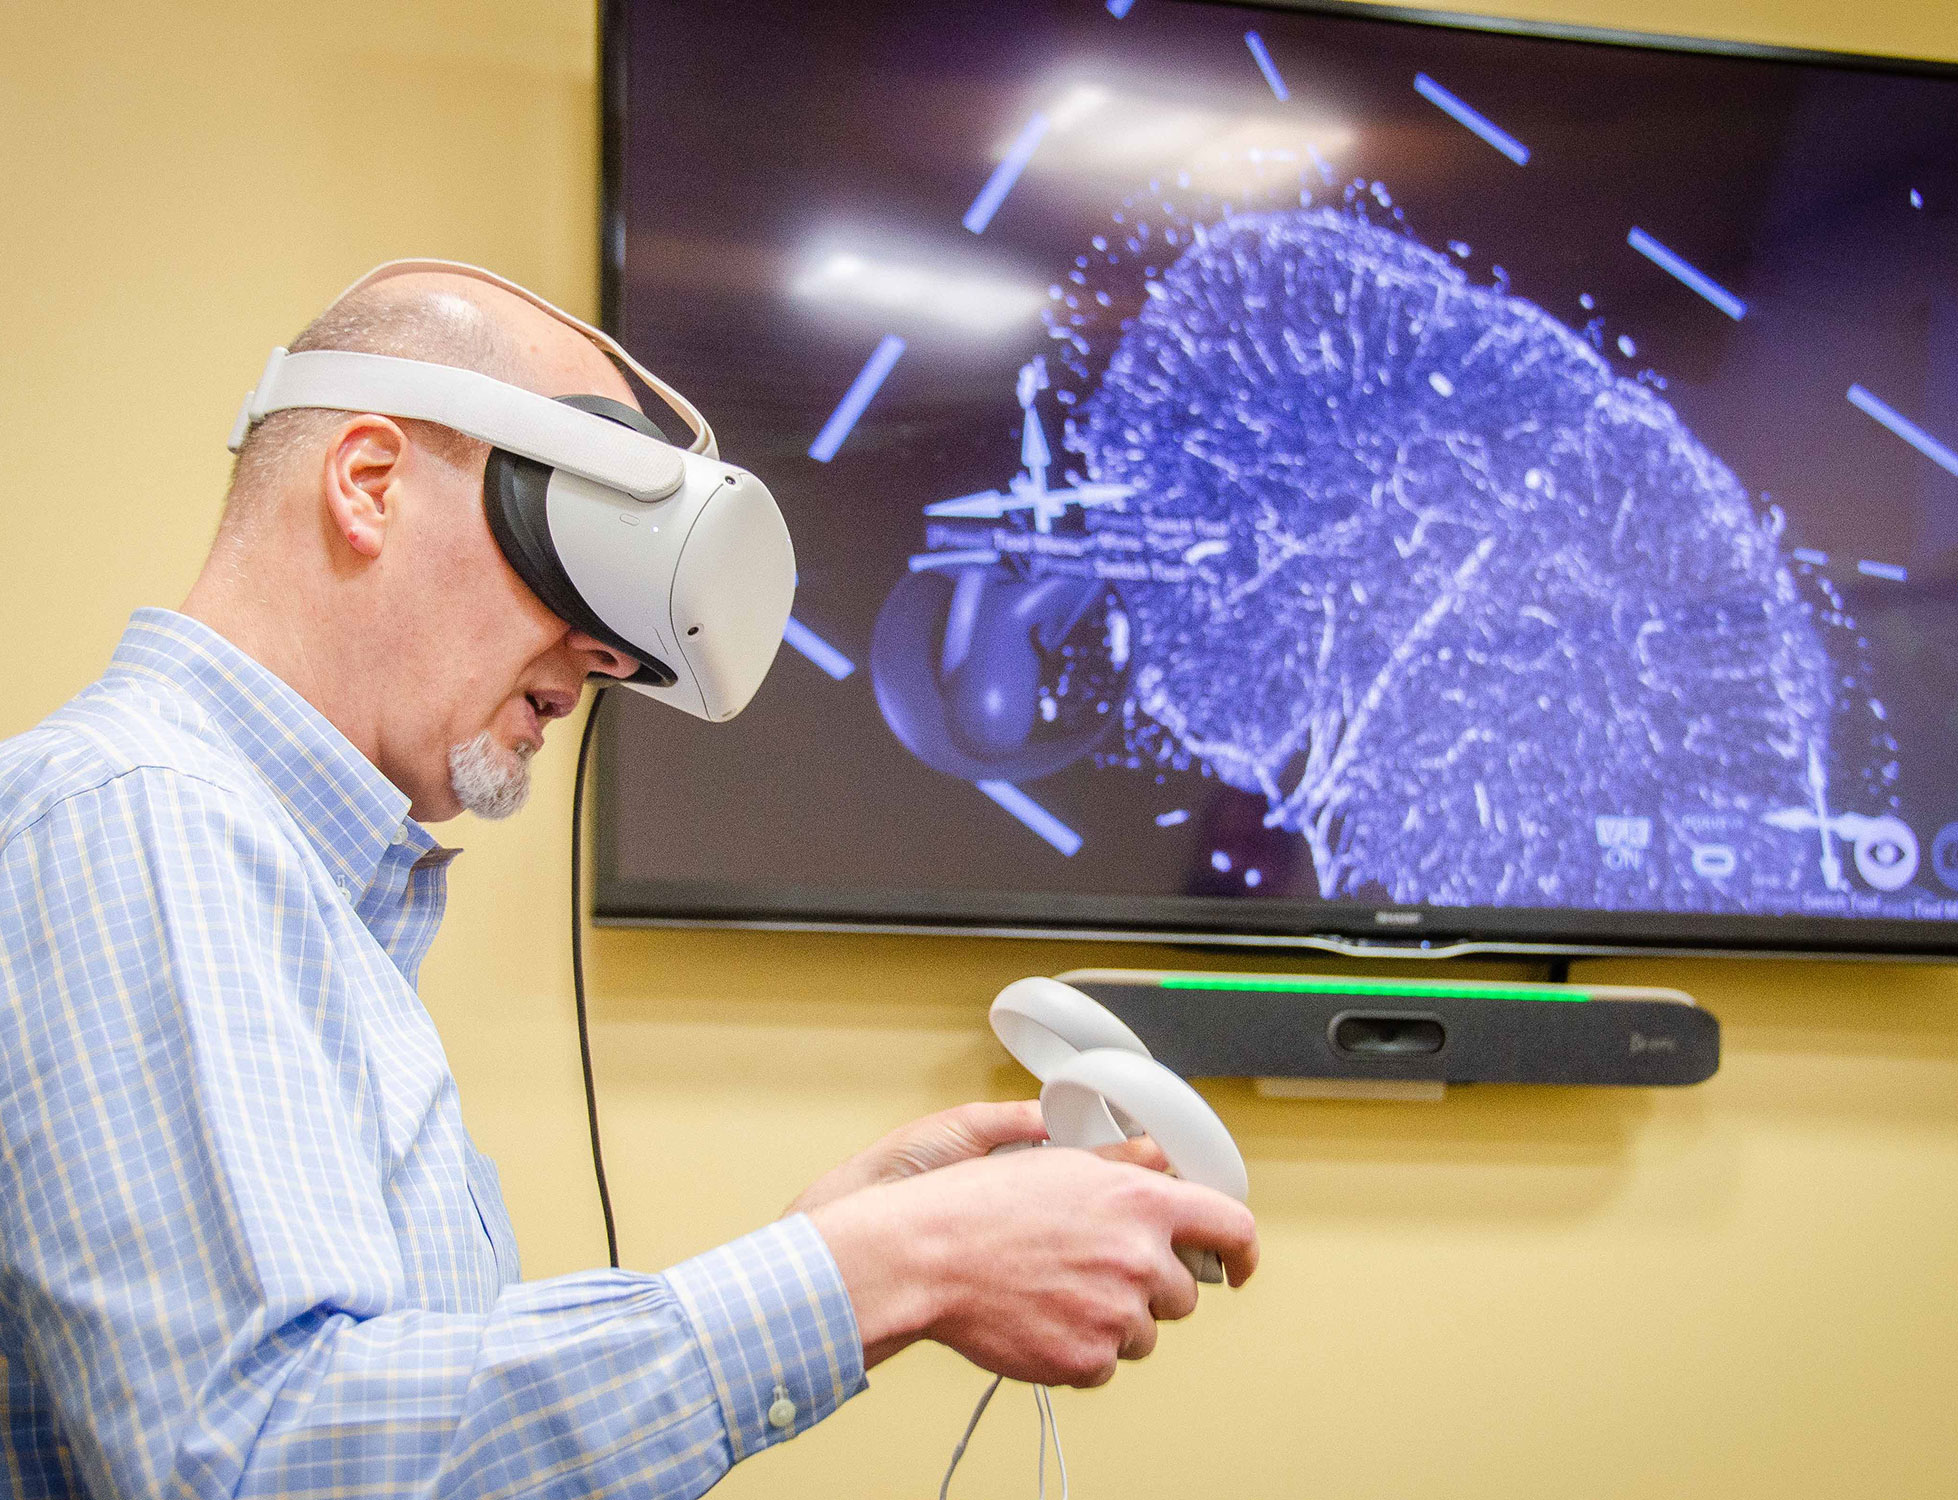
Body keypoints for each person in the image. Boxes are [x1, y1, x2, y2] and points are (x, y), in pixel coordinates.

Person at [0, 264, 1259, 1499]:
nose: (606, 655)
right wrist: (879, 1266)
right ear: (368, 483)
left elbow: (372, 1403)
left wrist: (817, 1249)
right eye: (575, 547)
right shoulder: (141, 818)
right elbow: (260, 1459)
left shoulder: (291, 878)